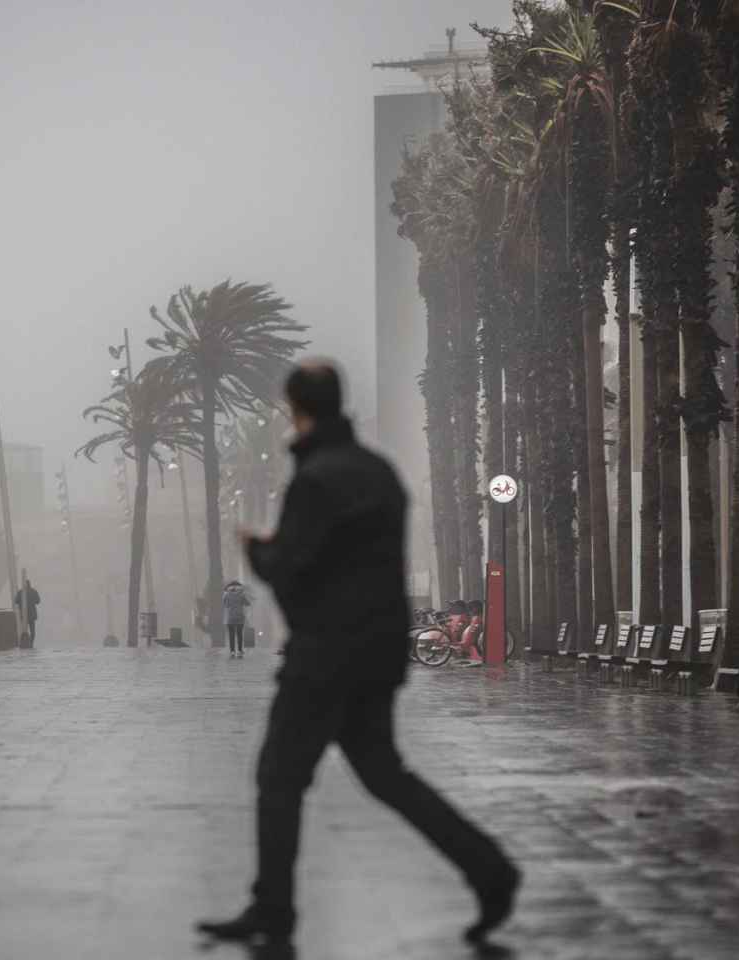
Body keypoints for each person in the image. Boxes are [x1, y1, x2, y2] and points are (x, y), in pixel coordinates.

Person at [196, 362, 519, 948]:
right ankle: (489, 869)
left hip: (323, 657)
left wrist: (256, 550)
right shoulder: (378, 473)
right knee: (384, 774)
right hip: (376, 654)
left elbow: (291, 568)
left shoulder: (315, 479)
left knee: (279, 777)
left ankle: (273, 910)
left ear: (297, 409)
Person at [223, 580, 252, 658]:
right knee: (239, 635)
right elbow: (248, 603)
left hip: (230, 617)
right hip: (240, 617)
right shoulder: (241, 595)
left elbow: (225, 605)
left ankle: (232, 651)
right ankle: (239, 651)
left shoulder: (226, 595)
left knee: (231, 635)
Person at [15, 572, 42, 646]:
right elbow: (38, 601)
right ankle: (31, 643)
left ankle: (24, 643)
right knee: (32, 630)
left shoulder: (20, 592)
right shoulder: (33, 591)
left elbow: (16, 601)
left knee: (24, 630)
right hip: (32, 614)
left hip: (23, 615)